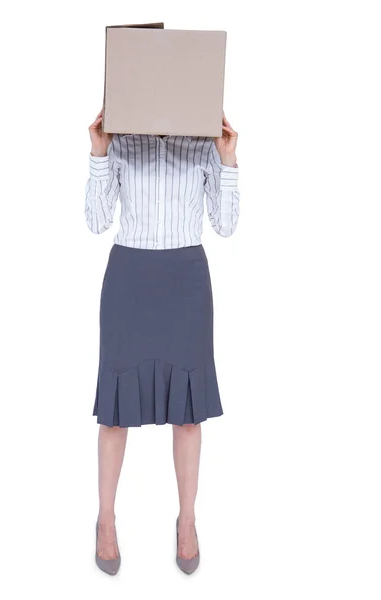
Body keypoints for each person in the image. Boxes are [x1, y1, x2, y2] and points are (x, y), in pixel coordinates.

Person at [85, 108, 240, 575]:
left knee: (189, 414)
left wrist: (228, 158)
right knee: (115, 416)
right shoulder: (123, 140)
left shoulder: (200, 142)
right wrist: (98, 150)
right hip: (130, 275)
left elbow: (227, 225)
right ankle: (105, 520)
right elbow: (95, 221)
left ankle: (187, 521)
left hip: (185, 278)